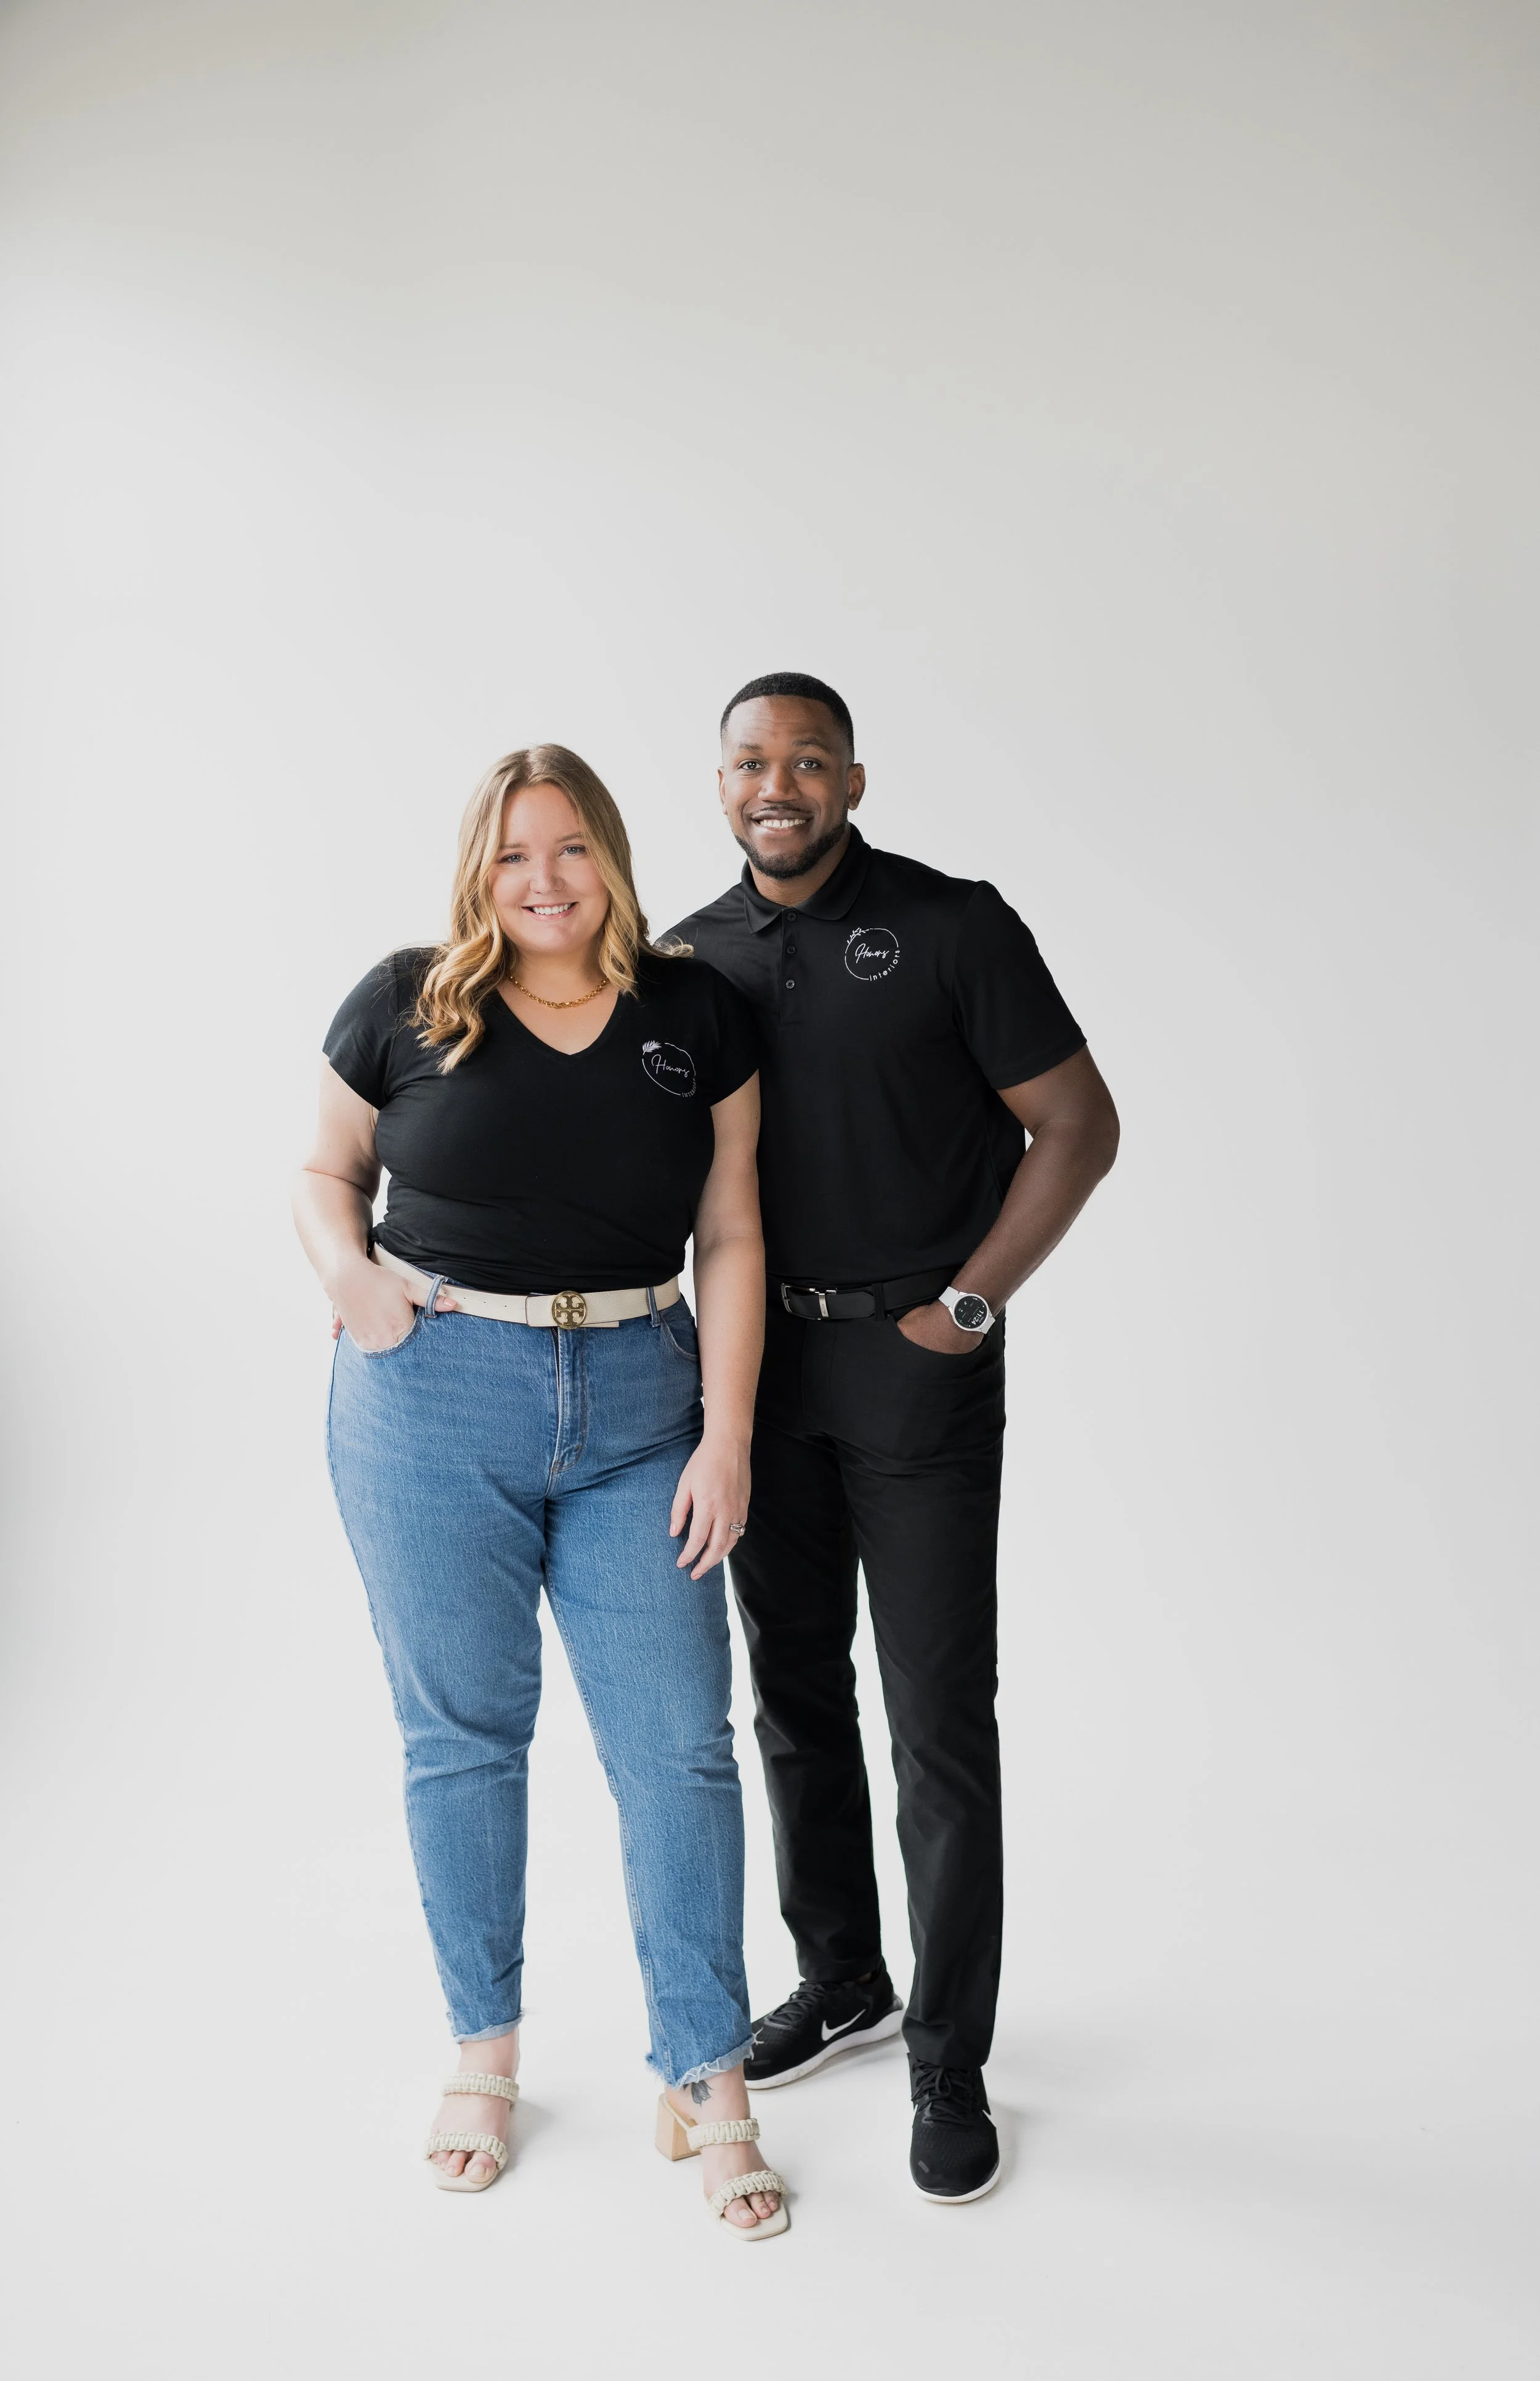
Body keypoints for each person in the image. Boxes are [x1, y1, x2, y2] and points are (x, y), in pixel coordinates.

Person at [293, 745, 788, 2237]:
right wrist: (355, 1284)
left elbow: (735, 1234)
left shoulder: (692, 1008)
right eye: (516, 855)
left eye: (571, 849)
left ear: (612, 858)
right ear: (478, 869)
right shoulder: (403, 999)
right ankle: (485, 2055)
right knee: (462, 1738)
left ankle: (707, 2078)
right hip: (429, 1399)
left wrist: (728, 1432)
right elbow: (322, 1172)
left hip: (644, 1402)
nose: (546, 880)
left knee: (678, 1752)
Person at [669, 673, 1120, 2204]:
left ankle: (948, 2049)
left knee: (936, 1724)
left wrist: (968, 1310)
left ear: (853, 781)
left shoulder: (951, 926)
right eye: (747, 761)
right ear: (717, 784)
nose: (773, 785)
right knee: (790, 1701)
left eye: (804, 760)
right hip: (756, 1381)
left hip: (915, 1374)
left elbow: (1079, 1124)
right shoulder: (684, 957)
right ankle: (842, 1980)